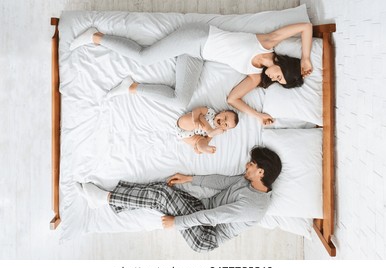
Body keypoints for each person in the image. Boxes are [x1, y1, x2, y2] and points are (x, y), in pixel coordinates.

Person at [70, 22, 313, 120]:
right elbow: (305, 26)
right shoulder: (267, 42)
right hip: (197, 36)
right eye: (279, 76)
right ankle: (95, 36)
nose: (274, 78)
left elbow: (232, 99)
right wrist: (305, 58)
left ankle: (131, 87)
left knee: (180, 100)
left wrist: (257, 116)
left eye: (277, 82)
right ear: (283, 64)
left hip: (198, 54)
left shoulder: (254, 75)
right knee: (144, 58)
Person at [77, 146, 282, 253]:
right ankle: (110, 200)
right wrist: (190, 178)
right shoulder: (251, 182)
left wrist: (178, 223)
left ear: (261, 172)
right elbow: (223, 181)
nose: (247, 165)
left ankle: (106, 198)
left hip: (206, 236)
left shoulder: (254, 207)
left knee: (161, 196)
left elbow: (212, 217)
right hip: (201, 208)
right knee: (163, 188)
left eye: (252, 164)